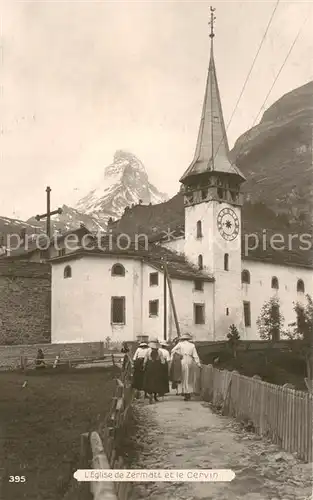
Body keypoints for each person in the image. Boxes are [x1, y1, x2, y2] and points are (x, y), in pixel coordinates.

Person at [170, 333, 201, 401]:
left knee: (183, 376)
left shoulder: (180, 344)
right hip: (190, 360)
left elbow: (172, 350)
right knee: (189, 377)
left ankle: (183, 391)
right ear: (188, 339)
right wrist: (198, 364)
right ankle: (188, 392)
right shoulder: (192, 345)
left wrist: (177, 355)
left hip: (182, 359)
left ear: (182, 339)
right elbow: (195, 355)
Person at [143, 339, 165, 404]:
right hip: (157, 367)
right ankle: (155, 396)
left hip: (150, 366)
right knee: (156, 381)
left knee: (149, 381)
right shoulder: (160, 352)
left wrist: (144, 366)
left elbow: (145, 360)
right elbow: (163, 361)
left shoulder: (148, 351)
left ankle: (150, 395)